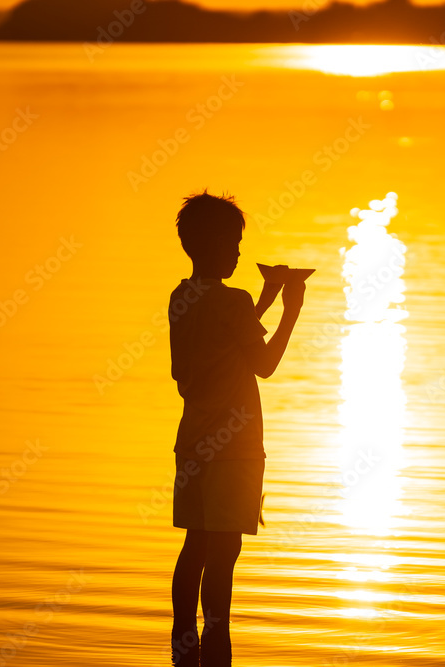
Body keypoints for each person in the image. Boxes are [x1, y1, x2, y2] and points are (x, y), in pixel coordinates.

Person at [167, 190, 305, 666]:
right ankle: (217, 647)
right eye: (233, 243)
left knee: (195, 547)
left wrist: (263, 299)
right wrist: (291, 308)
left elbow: (223, 344)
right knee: (223, 555)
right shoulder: (233, 302)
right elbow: (262, 364)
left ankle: (184, 646)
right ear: (211, 244)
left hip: (192, 445)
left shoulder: (181, 297)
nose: (239, 252)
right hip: (235, 451)